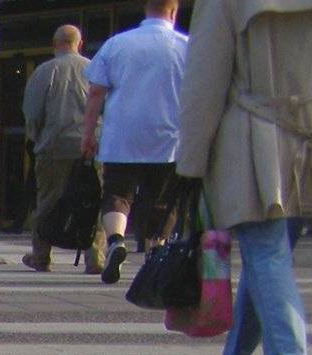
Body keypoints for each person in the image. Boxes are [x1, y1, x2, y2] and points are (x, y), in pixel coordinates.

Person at [177, 0, 312, 355]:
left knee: (266, 253)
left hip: (251, 135)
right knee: (269, 257)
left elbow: (205, 81)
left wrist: (191, 160)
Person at [80, 0, 188, 284]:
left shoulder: (117, 44)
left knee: (117, 194)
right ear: (174, 12)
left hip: (121, 137)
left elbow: (95, 94)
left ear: (146, 9)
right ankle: (155, 253)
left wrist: (88, 135)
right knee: (162, 200)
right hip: (168, 138)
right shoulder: (186, 46)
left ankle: (116, 240)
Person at [21, 24, 103, 275]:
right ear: (80, 44)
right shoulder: (96, 70)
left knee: (47, 200)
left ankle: (41, 256)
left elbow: (32, 113)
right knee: (95, 201)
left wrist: (38, 139)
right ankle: (95, 257)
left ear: (54, 44)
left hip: (54, 146)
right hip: (94, 146)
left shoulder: (44, 72)